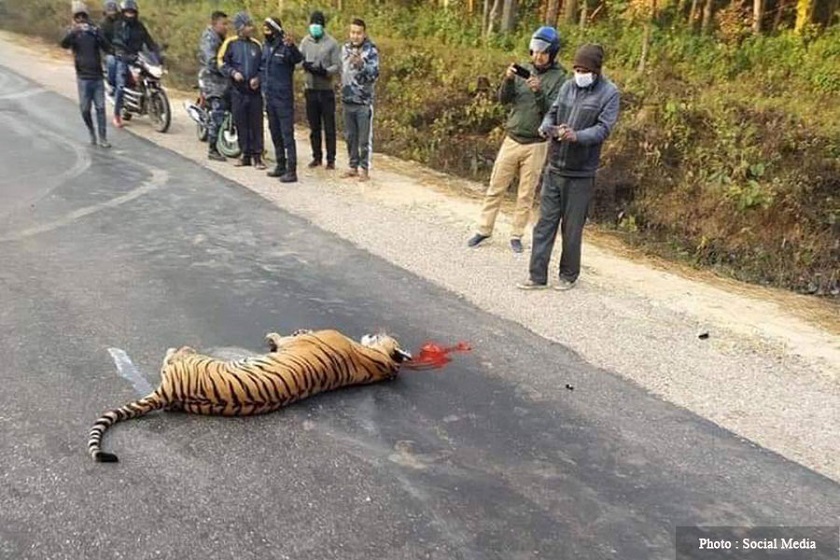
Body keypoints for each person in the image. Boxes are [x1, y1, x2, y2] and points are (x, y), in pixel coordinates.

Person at [518, 44, 620, 291]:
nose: (579, 73)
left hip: (581, 173)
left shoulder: (609, 93)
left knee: (572, 230)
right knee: (544, 225)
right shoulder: (567, 86)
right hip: (555, 166)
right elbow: (552, 113)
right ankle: (537, 276)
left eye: (583, 69)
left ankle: (568, 275)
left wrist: (577, 136)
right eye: (576, 68)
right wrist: (546, 127)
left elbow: (603, 128)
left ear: (596, 70)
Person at [467, 26, 566, 254]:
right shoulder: (525, 70)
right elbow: (504, 100)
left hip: (536, 143)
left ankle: (516, 234)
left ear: (553, 53)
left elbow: (555, 111)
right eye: (534, 50)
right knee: (496, 186)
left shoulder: (560, 79)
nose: (537, 56)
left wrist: (539, 92)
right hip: (512, 138)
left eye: (543, 52)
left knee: (526, 193)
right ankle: (484, 228)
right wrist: (509, 80)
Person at [60, 1, 113, 148]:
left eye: (83, 16)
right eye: (78, 17)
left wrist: (97, 33)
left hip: (97, 76)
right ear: (74, 18)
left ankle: (103, 137)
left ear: (87, 17)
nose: (81, 19)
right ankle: (91, 131)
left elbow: (107, 47)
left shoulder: (95, 30)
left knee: (101, 108)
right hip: (83, 78)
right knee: (84, 110)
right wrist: (74, 32)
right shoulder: (73, 33)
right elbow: (63, 44)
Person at [218, 12, 266, 169]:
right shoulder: (230, 43)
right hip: (237, 91)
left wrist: (258, 78)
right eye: (247, 25)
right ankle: (245, 154)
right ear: (240, 27)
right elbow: (221, 62)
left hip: (254, 92)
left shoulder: (256, 45)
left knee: (256, 124)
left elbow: (263, 66)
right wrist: (233, 73)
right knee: (241, 123)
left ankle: (258, 157)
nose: (250, 28)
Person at [261, 17, 303, 182]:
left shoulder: (285, 46)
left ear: (276, 30)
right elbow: (262, 68)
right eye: (264, 30)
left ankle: (291, 170)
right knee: (274, 132)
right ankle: (280, 164)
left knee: (287, 135)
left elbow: (298, 59)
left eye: (269, 30)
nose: (266, 33)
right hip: (269, 97)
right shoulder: (266, 47)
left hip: (283, 98)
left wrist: (292, 46)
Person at [299, 10, 341, 170]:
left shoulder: (332, 43)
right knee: (314, 127)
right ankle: (316, 157)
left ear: (323, 26)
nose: (315, 27)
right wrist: (305, 65)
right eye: (313, 24)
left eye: (318, 24)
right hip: (310, 89)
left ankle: (331, 159)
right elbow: (298, 61)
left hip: (326, 90)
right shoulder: (305, 42)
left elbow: (337, 65)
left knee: (329, 127)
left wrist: (325, 71)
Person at [339, 18, 379, 182]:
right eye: (352, 32)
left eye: (358, 33)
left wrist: (362, 65)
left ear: (364, 33)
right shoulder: (345, 48)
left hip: (363, 101)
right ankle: (352, 165)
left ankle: (364, 168)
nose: (355, 36)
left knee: (363, 139)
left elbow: (375, 74)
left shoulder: (371, 51)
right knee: (350, 136)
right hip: (347, 99)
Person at [111, 0, 160, 128]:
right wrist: (120, 51)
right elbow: (116, 40)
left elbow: (149, 41)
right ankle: (116, 115)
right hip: (123, 58)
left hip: (137, 56)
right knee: (121, 86)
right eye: (127, 12)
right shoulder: (119, 26)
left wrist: (157, 52)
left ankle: (149, 101)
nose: (130, 15)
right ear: (123, 13)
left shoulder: (140, 26)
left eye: (132, 12)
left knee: (150, 75)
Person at [198, 10, 229, 161]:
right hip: (212, 81)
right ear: (214, 24)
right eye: (223, 24)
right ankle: (212, 148)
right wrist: (227, 70)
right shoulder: (209, 39)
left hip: (222, 81)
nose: (226, 27)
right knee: (218, 112)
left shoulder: (221, 38)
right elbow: (212, 62)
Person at [99, 0, 120, 96]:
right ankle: (112, 84)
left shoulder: (122, 21)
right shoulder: (103, 24)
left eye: (114, 10)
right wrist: (111, 50)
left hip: (122, 49)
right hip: (109, 51)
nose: (112, 13)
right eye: (110, 11)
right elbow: (103, 40)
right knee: (112, 61)